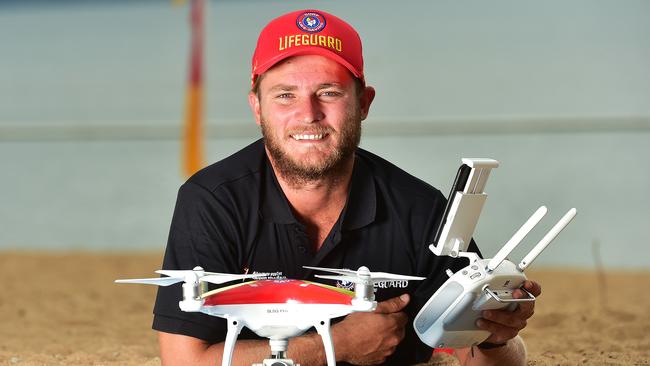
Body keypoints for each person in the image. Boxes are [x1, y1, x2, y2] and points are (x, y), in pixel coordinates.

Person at [153, 9, 540, 366]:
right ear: (257, 107)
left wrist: (494, 339)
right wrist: (333, 346)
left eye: (329, 92)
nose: (308, 114)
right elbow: (184, 360)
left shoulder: (420, 211)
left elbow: (479, 353)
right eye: (285, 95)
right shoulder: (212, 200)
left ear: (364, 103)